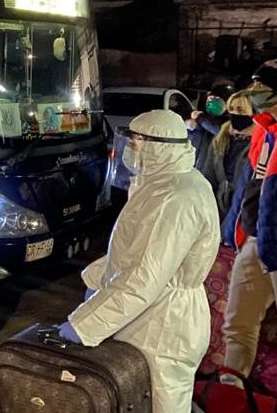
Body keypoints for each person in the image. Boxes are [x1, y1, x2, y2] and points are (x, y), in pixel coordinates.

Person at [58, 110, 219, 412]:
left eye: (136, 143)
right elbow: (132, 253)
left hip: (164, 328)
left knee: (163, 405)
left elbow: (146, 277)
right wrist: (98, 283)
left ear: (159, 147)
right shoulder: (158, 185)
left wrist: (87, 324)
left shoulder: (177, 197)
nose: (129, 149)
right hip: (145, 319)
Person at [222, 60, 277, 384]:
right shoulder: (264, 131)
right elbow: (251, 187)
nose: (254, 90)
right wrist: (239, 234)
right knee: (238, 322)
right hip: (257, 241)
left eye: (262, 85)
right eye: (254, 83)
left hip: (275, 244)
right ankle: (231, 391)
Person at [200, 90, 254, 226]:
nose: (235, 114)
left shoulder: (260, 142)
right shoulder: (221, 139)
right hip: (219, 209)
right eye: (232, 109)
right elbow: (209, 175)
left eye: (241, 110)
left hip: (245, 214)